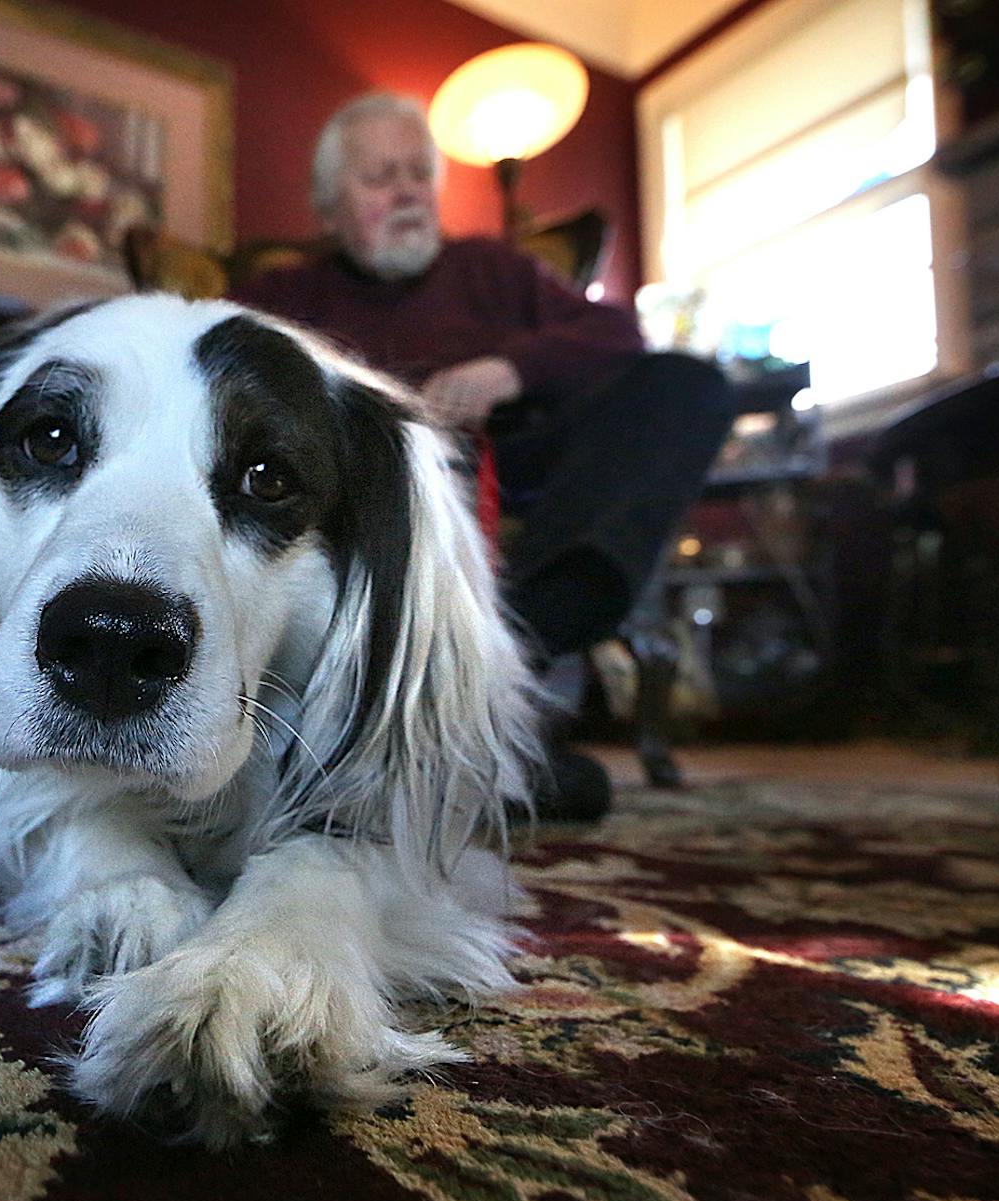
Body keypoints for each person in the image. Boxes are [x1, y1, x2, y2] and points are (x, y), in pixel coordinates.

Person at [233, 92, 736, 820]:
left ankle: (514, 650)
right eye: (380, 177)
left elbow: (618, 336)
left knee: (687, 386)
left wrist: (509, 368)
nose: (407, 191)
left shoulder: (492, 270)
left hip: (514, 469)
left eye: (417, 174)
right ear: (329, 208)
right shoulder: (281, 297)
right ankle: (458, 747)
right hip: (369, 488)